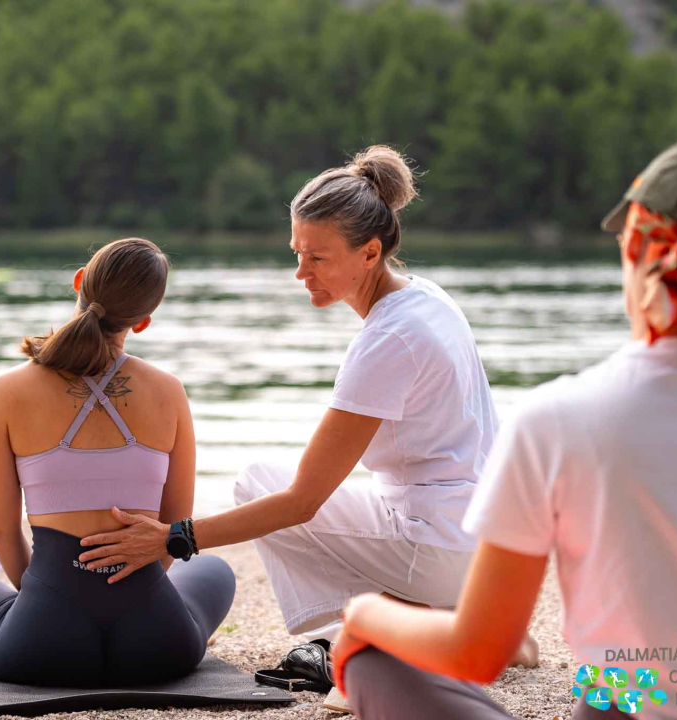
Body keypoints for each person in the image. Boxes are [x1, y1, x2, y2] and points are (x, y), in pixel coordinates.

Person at [330, 136, 677, 720]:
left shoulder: (558, 419)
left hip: (623, 704)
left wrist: (364, 615)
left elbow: (479, 652)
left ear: (636, 250)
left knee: (375, 660)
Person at [77, 146, 536, 666]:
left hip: (445, 548)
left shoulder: (388, 339)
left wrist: (174, 539)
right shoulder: (427, 298)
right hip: (482, 541)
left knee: (261, 483)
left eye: (317, 258)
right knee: (280, 484)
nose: (301, 272)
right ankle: (446, 618)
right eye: (297, 252)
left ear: (369, 252)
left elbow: (301, 503)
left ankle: (378, 636)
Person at [0, 238, 236, 687]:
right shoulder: (169, 391)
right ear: (142, 321)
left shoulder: (7, 392)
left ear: (78, 281)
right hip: (159, 644)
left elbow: (2, 531)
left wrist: (49, 601)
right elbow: (174, 528)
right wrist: (125, 599)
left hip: (41, 645)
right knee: (214, 568)